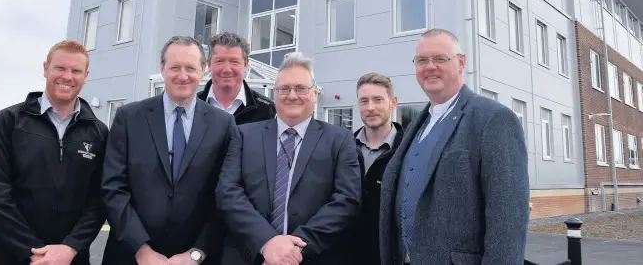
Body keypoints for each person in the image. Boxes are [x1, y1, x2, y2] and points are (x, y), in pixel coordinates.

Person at [379, 29, 530, 265]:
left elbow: (508, 219)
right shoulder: (414, 126)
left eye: (440, 59)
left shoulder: (494, 119)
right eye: (422, 60)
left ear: (461, 63)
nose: (430, 67)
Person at [100, 36, 237, 265]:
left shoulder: (223, 125)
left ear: (203, 70)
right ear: (162, 68)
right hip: (129, 256)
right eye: (175, 67)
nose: (182, 75)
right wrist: (141, 249)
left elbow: (225, 195)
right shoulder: (129, 118)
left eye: (191, 68)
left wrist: (197, 253)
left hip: (196, 259)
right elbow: (113, 187)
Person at [216, 52, 361, 265]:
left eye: (301, 88)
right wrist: (267, 243)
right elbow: (227, 192)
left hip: (310, 257)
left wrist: (292, 251)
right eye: (284, 88)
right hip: (249, 256)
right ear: (275, 94)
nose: (292, 95)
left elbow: (346, 201)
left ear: (315, 93)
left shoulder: (339, 140)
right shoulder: (244, 135)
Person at [0, 40, 109, 265]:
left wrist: (70, 248)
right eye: (60, 68)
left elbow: (99, 200)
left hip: (70, 259)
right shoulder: (10, 121)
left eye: (76, 70)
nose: (67, 76)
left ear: (86, 76)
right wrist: (33, 249)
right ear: (46, 68)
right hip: (11, 256)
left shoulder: (98, 132)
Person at [351, 72, 405, 265]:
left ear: (393, 102)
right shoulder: (343, 148)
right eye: (363, 101)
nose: (370, 107)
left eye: (378, 99)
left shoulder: (409, 150)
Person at [197, 32, 276, 124]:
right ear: (209, 64)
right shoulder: (193, 106)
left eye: (234, 62)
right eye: (219, 61)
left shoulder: (266, 109)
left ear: (245, 65)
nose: (227, 69)